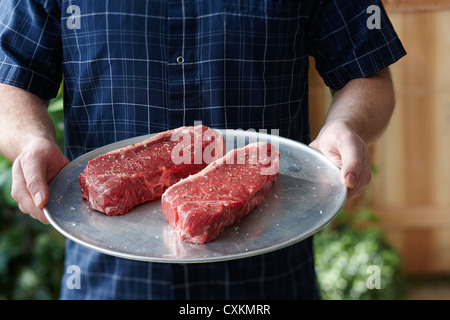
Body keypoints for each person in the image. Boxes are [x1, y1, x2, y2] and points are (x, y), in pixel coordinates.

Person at [0, 0, 405, 299]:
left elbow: (366, 73)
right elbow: (11, 78)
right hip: (111, 281)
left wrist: (345, 125)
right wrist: (30, 141)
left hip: (268, 279)